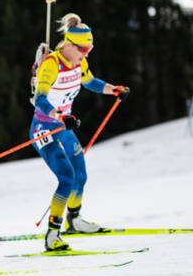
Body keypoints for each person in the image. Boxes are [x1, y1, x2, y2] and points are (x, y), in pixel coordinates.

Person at [30, 13, 129, 252]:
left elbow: (90, 81)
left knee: (80, 176)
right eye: (83, 49)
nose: (86, 54)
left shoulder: (79, 63)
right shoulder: (51, 65)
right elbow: (40, 100)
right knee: (66, 177)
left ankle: (74, 220)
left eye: (89, 49)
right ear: (69, 45)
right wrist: (59, 116)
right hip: (45, 128)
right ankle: (52, 235)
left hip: (64, 125)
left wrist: (113, 90)